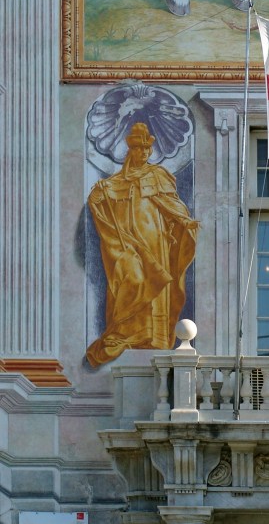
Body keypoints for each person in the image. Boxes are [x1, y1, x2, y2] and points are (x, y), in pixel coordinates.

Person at [86, 122, 199, 367]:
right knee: (132, 278)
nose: (144, 153)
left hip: (156, 242)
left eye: (147, 149)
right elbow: (100, 200)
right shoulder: (116, 181)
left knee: (156, 285)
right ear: (131, 150)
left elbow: (172, 204)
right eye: (140, 149)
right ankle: (124, 333)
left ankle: (153, 336)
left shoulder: (158, 176)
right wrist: (98, 193)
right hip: (127, 242)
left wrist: (184, 221)